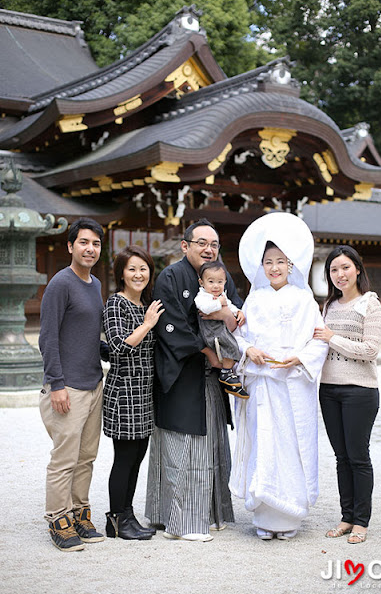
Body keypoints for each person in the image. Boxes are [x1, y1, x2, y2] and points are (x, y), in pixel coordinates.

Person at [230, 212, 328, 540]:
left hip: (293, 386)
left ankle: (290, 517)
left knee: (292, 446)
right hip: (262, 386)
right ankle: (265, 517)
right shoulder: (254, 300)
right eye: (268, 261)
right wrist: (248, 351)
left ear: (291, 265)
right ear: (261, 266)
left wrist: (299, 357)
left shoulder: (304, 300)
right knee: (264, 445)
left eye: (280, 261)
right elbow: (238, 337)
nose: (274, 267)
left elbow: (319, 338)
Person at [145, 218, 242, 542]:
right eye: (202, 243)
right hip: (182, 371)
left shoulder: (220, 274)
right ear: (185, 245)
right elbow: (169, 325)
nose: (208, 249)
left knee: (210, 445)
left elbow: (236, 308)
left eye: (213, 244)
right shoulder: (170, 276)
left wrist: (232, 314)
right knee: (182, 447)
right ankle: (180, 522)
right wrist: (206, 351)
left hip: (210, 378)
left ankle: (211, 513)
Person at [39, 217, 107, 552]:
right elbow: (47, 338)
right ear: (70, 246)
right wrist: (56, 384)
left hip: (94, 384)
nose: (90, 249)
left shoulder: (94, 285)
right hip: (68, 388)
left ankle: (79, 512)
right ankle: (57, 517)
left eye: (95, 243)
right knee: (64, 458)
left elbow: (92, 337)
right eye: (83, 242)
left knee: (86, 456)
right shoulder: (60, 284)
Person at [313, 245, 381, 544]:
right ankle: (346, 516)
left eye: (345, 267)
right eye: (333, 270)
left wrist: (333, 338)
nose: (340, 274)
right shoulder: (328, 306)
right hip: (329, 390)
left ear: (357, 268)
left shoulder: (371, 304)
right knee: (341, 457)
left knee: (358, 457)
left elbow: (370, 350)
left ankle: (361, 521)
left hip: (360, 391)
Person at [102, 245, 164, 541]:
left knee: (137, 456)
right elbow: (117, 348)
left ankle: (127, 515)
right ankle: (115, 520)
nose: (139, 274)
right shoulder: (117, 303)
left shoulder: (147, 304)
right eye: (132, 269)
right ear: (121, 274)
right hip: (123, 391)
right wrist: (147, 324)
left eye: (143, 268)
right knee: (124, 458)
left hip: (144, 392)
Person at [194, 260, 248, 399]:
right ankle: (226, 372)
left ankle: (227, 373)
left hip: (220, 329)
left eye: (220, 282)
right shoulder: (202, 296)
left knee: (232, 344)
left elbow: (230, 306)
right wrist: (219, 304)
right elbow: (205, 308)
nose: (216, 286)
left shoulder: (222, 296)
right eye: (211, 281)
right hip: (210, 331)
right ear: (202, 283)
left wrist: (238, 312)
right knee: (229, 345)